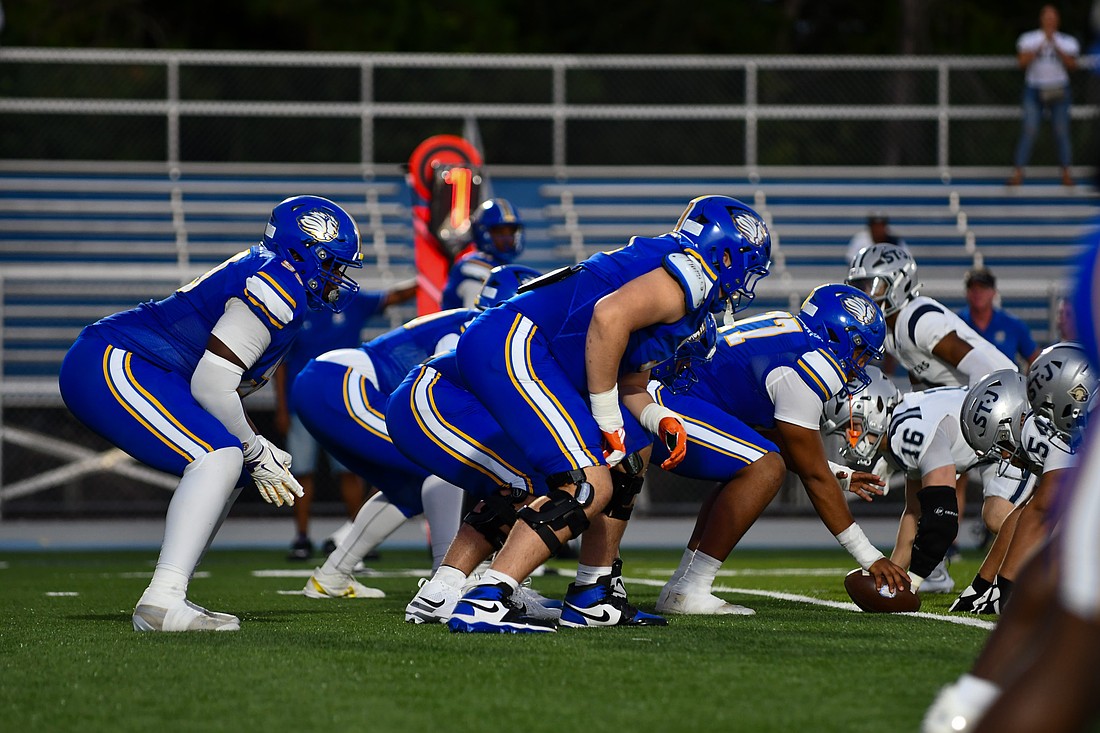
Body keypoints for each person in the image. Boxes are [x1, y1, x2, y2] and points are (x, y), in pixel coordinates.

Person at [401, 194, 772, 633]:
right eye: (746, 265)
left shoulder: (672, 277)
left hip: (528, 348)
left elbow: (632, 381)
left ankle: (593, 594)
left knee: (636, 449)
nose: (747, 281)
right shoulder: (690, 275)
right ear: (725, 252)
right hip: (517, 343)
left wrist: (658, 419)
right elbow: (608, 317)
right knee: (587, 483)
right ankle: (488, 597)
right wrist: (607, 419)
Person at [57, 195, 364, 632]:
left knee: (233, 463)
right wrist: (256, 447)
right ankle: (162, 601)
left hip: (138, 366)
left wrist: (254, 449)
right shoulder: (279, 285)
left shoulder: (275, 274)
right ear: (306, 252)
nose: (338, 278)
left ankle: (171, 591)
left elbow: (211, 387)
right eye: (333, 264)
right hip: (115, 361)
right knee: (222, 455)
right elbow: (210, 385)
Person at [651, 285, 910, 614]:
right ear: (837, 336)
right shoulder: (813, 362)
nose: (858, 365)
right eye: (859, 352)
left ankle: (683, 586)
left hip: (669, 395)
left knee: (751, 463)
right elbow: (812, 476)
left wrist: (839, 474)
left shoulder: (787, 329)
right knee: (765, 468)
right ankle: (691, 587)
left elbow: (775, 441)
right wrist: (869, 556)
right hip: (663, 406)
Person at [293, 264, 543, 600]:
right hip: (343, 382)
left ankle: (332, 576)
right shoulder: (472, 330)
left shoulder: (472, 324)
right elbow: (445, 397)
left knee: (409, 490)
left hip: (331, 383)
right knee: (442, 464)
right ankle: (448, 577)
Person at [847, 244, 1019, 593]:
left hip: (1000, 416)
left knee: (997, 516)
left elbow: (989, 373)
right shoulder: (894, 328)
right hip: (971, 417)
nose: (866, 296)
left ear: (898, 283)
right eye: (861, 287)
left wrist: (953, 430)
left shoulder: (918, 320)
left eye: (873, 286)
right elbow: (925, 384)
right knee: (923, 489)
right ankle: (924, 570)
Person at [823, 367, 1034, 598]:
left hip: (1013, 436)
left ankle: (1041, 577)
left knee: (998, 515)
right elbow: (914, 513)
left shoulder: (908, 431)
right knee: (994, 515)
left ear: (876, 408)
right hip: (991, 447)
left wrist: (914, 581)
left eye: (851, 428)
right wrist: (893, 576)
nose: (849, 437)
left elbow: (942, 517)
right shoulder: (898, 429)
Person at [275, 279, 416, 561]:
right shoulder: (297, 308)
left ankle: (360, 536)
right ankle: (301, 537)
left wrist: (428, 278)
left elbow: (393, 295)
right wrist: (281, 407)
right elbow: (282, 363)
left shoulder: (352, 300)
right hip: (305, 403)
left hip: (343, 402)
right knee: (301, 473)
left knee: (350, 472)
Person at [949, 343, 1088, 616]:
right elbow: (1026, 511)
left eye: (1001, 446)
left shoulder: (1041, 430)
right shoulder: (1062, 422)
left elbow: (1042, 508)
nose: (1006, 457)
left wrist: (1006, 588)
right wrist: (984, 583)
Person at [1007, 4, 1079, 188]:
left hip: (1059, 89)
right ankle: (1018, 172)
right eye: (1047, 17)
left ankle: (1066, 173)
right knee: (1029, 129)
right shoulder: (1029, 38)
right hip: (1035, 89)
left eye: (1053, 17)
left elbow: (1072, 65)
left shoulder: (1067, 41)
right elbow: (1021, 62)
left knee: (1061, 131)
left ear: (1058, 20)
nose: (1050, 21)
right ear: (1041, 19)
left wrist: (1055, 45)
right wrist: (1040, 46)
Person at [440, 198, 524, 310]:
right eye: (500, 232)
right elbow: (476, 321)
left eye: (511, 232)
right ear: (482, 232)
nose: (507, 238)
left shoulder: (502, 265)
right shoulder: (473, 266)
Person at [957, 267, 1040, 369]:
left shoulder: (1012, 325)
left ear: (993, 292)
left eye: (983, 288)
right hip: (966, 383)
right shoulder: (956, 324)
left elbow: (1034, 359)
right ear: (967, 292)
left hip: (1005, 383)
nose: (978, 293)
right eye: (973, 288)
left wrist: (1026, 383)